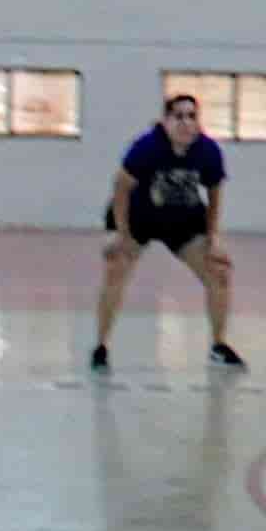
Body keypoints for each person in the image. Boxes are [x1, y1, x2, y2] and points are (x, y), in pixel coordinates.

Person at [90, 93, 238, 373]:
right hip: (137, 217)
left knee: (219, 273)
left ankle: (219, 345)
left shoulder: (207, 151)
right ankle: (101, 346)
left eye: (192, 116)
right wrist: (120, 234)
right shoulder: (147, 147)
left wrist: (214, 238)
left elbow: (215, 193)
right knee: (115, 269)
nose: (186, 123)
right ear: (166, 121)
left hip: (182, 219)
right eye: (178, 116)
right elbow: (120, 187)